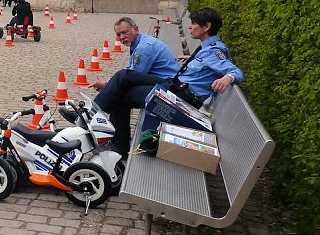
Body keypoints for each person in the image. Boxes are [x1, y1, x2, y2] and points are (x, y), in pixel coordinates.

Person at [70, 8, 244, 154]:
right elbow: (209, 64)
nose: (190, 27)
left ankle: (94, 119)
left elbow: (235, 71)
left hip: (182, 98)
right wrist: (192, 58)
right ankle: (114, 140)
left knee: (123, 80)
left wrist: (228, 77)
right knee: (120, 92)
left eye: (194, 24)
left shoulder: (214, 50)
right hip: (175, 89)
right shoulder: (207, 48)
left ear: (207, 26)